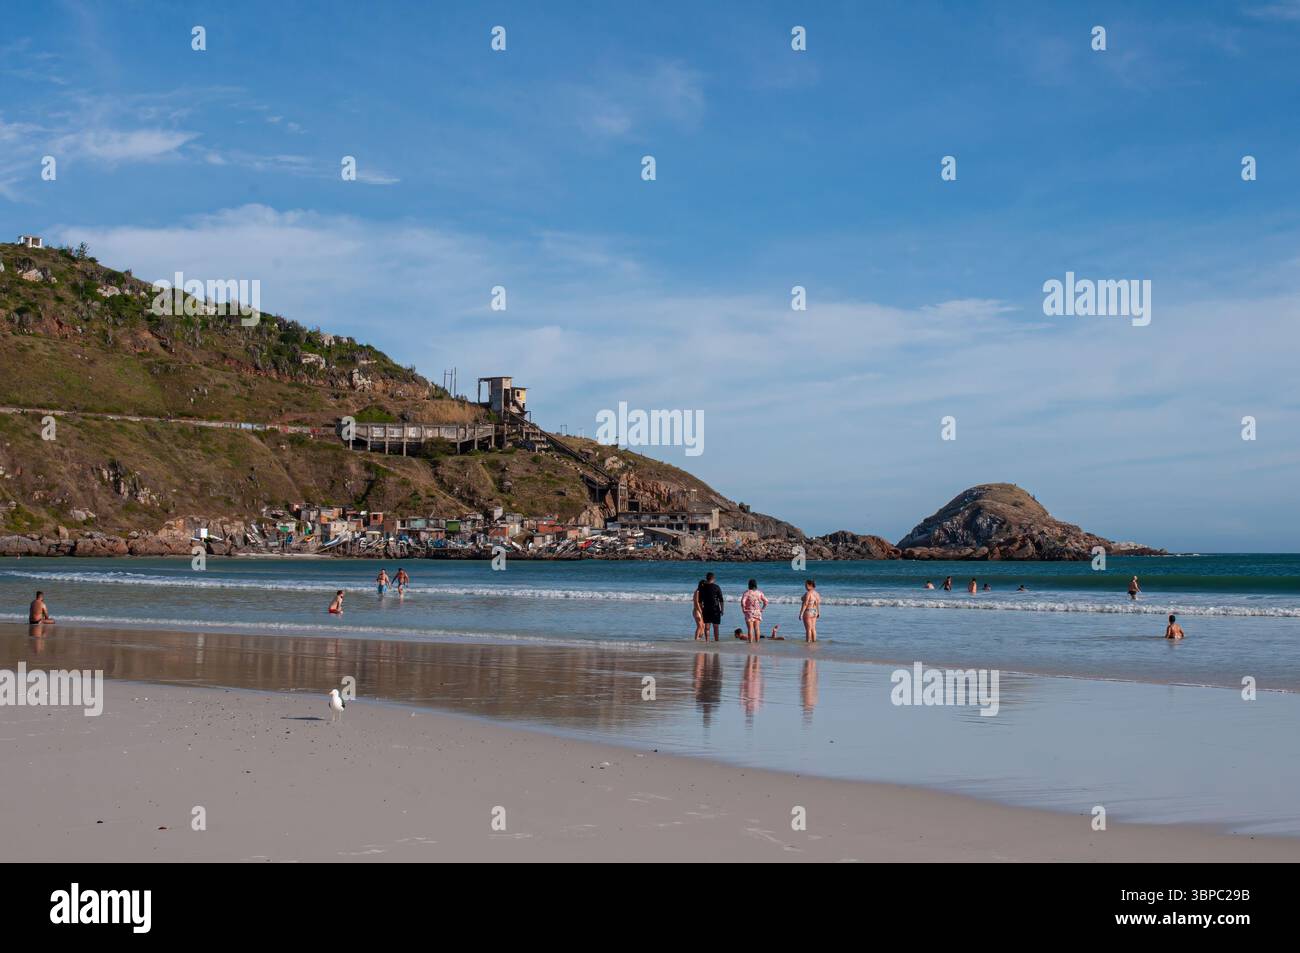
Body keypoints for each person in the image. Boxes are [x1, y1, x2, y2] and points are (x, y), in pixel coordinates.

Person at [740, 579, 769, 643]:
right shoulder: (759, 593)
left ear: (749, 585)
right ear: (756, 585)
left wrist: (743, 609)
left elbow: (743, 602)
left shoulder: (747, 593)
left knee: (750, 628)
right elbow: (766, 601)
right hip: (757, 612)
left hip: (749, 612)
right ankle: (757, 642)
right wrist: (762, 609)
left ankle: (750, 642)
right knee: (757, 628)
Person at [699, 572, 725, 641]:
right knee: (716, 627)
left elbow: (700, 601)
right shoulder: (716, 587)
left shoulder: (702, 587)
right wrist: (722, 610)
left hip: (706, 609)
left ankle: (707, 641)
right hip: (715, 609)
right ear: (713, 579)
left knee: (707, 627)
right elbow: (721, 600)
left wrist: (702, 610)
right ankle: (716, 641)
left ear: (706, 578)